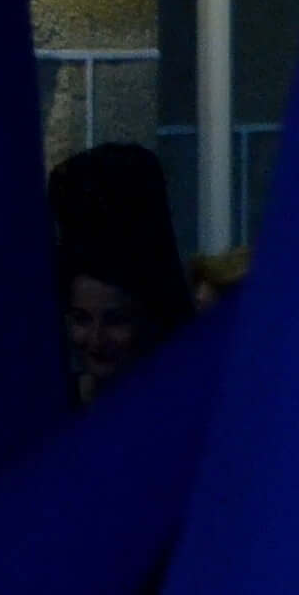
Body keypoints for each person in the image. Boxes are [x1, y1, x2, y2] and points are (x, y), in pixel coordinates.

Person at [48, 142, 193, 403]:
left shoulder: (186, 408)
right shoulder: (52, 411)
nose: (96, 341)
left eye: (116, 320)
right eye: (81, 319)